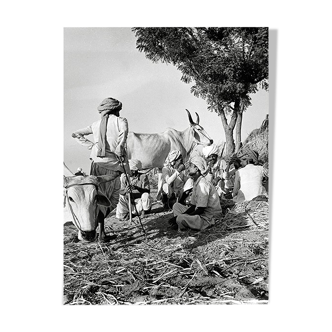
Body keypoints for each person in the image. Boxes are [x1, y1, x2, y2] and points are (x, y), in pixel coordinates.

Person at [72, 97, 130, 240]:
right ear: (116, 110)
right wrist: (119, 147)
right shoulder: (121, 121)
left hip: (97, 165)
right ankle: (101, 233)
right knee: (111, 198)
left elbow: (75, 134)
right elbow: (123, 136)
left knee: (96, 199)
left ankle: (95, 231)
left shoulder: (95, 124)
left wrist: (92, 147)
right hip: (114, 167)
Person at [168, 155, 222, 232]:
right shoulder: (197, 182)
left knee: (180, 218)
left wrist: (181, 216)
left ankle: (180, 223)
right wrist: (183, 214)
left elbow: (201, 209)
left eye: (190, 166)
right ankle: (180, 223)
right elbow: (193, 206)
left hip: (208, 218)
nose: (188, 168)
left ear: (196, 168)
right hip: (200, 214)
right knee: (176, 206)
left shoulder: (203, 184)